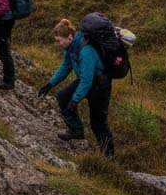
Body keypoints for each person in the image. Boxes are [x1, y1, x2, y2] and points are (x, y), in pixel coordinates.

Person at [37, 18, 115, 156]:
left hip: (100, 87)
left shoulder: (86, 51)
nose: (58, 43)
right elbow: (65, 67)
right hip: (87, 82)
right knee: (62, 97)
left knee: (98, 124)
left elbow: (86, 80)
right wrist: (50, 84)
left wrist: (75, 100)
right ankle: (76, 130)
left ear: (70, 37)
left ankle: (109, 156)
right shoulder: (71, 47)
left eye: (59, 40)